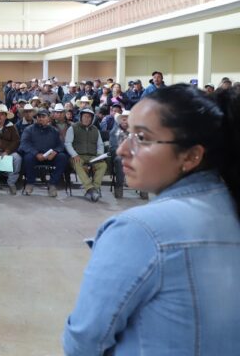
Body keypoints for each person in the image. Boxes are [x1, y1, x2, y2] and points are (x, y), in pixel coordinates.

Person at [63, 84, 240, 355]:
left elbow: (85, 342)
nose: (123, 149)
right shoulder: (229, 205)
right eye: (127, 133)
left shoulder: (139, 230)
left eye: (142, 138)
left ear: (192, 155)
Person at [19, 108, 69, 197]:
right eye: (39, 116)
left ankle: (52, 184)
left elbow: (61, 145)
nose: (40, 118)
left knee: (62, 157)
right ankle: (30, 183)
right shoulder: (29, 129)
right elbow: (24, 144)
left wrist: (55, 152)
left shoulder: (54, 131)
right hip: (35, 156)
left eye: (43, 116)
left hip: (50, 157)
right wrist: (36, 153)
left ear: (48, 119)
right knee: (28, 157)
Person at [65, 108, 108, 202]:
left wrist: (99, 155)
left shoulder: (95, 129)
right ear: (81, 117)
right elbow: (68, 143)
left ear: (92, 119)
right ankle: (90, 188)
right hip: (78, 155)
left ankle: (94, 189)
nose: (86, 119)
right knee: (77, 163)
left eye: (89, 117)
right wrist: (74, 154)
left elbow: (100, 144)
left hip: (92, 157)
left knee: (103, 165)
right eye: (85, 116)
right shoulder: (73, 127)